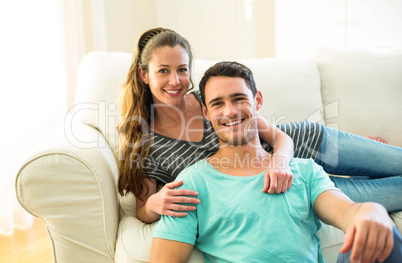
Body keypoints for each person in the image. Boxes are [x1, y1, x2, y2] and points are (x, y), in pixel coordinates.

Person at [116, 27, 402, 224]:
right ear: (143, 74)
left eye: (182, 69)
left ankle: (364, 162)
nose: (175, 81)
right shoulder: (144, 141)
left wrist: (279, 162)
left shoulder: (209, 98)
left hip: (310, 143)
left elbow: (279, 136)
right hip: (298, 187)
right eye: (163, 71)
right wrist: (153, 205)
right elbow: (142, 208)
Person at [151, 61, 402, 263]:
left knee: (385, 235)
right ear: (205, 112)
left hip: (316, 141)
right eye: (218, 103)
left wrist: (371, 211)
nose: (229, 111)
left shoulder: (304, 171)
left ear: (257, 101)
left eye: (239, 99)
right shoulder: (192, 183)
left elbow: (347, 212)